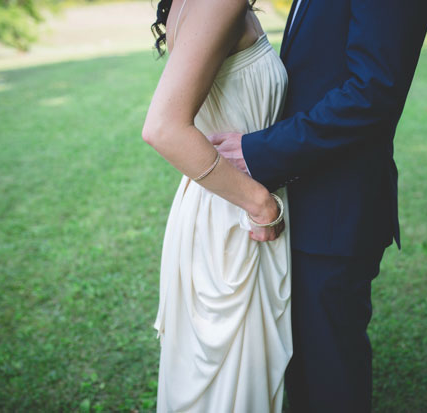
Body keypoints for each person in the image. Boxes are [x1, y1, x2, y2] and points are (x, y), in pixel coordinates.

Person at [208, 0, 427, 411]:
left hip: (336, 210)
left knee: (329, 377)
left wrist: (259, 153)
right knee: (302, 371)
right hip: (304, 197)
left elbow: (373, 92)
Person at [141, 0, 293, 411]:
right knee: (234, 388)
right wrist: (260, 203)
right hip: (236, 216)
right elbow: (162, 128)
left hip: (218, 205)